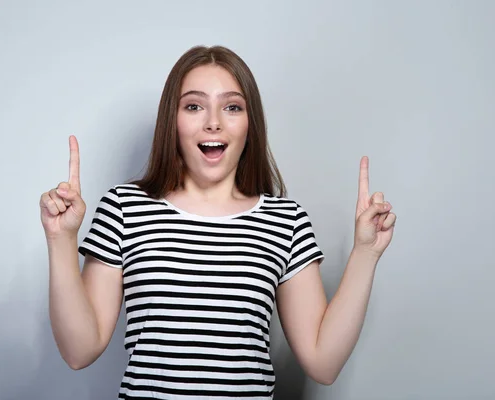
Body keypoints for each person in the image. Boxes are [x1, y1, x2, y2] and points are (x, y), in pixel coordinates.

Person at [40, 45, 396, 399]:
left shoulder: (286, 221)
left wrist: (366, 253)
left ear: (249, 124)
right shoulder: (124, 208)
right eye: (194, 106)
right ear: (172, 121)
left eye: (232, 107)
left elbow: (324, 363)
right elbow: (78, 351)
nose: (214, 122)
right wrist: (60, 240)